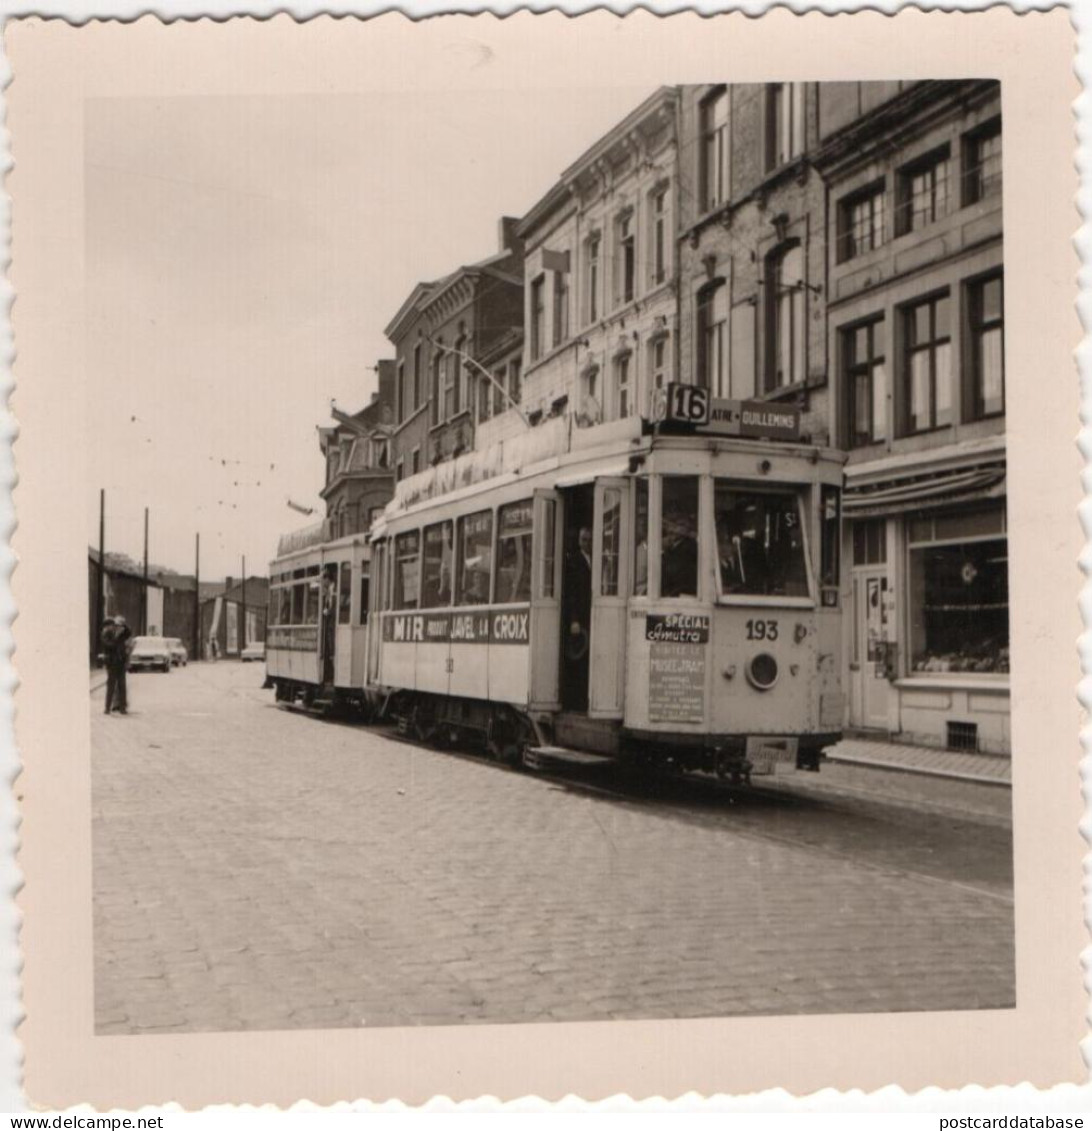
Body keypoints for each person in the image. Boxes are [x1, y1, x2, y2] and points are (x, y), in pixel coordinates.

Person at [561, 526, 593, 710]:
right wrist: (573, 620)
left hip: (591, 616)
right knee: (578, 659)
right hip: (579, 619)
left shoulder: (597, 559)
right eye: (584, 540)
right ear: (579, 541)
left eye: (589, 539)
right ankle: (576, 702)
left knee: (587, 659)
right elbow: (571, 593)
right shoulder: (574, 561)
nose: (587, 543)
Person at [101, 614, 132, 715]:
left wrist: (123, 624)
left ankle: (122, 708)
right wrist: (116, 637)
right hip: (111, 663)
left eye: (117, 625)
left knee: (122, 686)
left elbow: (129, 632)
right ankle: (107, 708)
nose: (116, 626)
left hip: (121, 662)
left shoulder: (122, 632)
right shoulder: (107, 633)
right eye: (114, 624)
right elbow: (108, 645)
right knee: (111, 686)